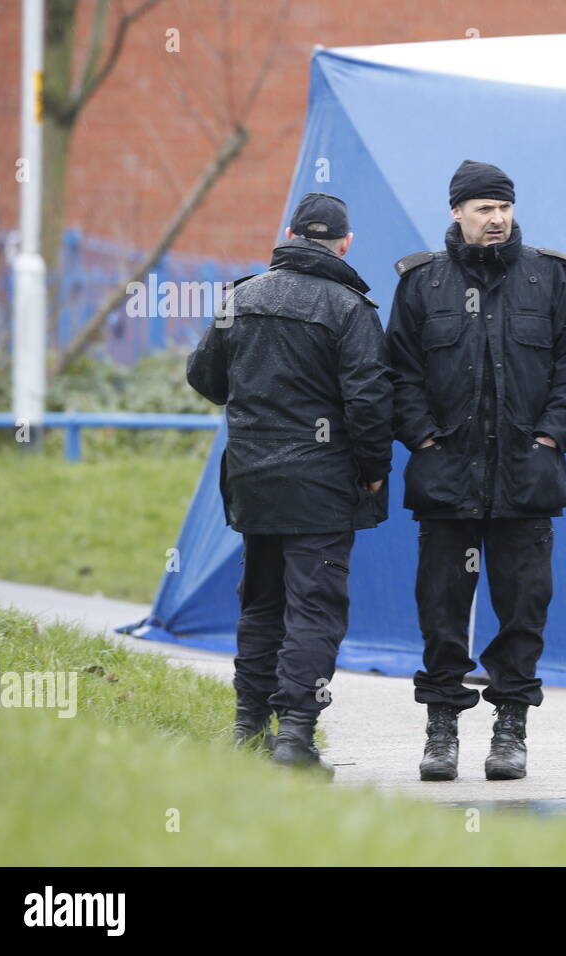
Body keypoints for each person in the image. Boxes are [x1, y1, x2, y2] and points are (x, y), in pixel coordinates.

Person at [386, 160, 566, 782]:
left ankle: (510, 729)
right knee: (441, 609)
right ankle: (442, 729)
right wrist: (422, 437)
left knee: (524, 608)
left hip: (527, 480)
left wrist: (547, 438)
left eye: (502, 207)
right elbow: (397, 374)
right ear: (457, 213)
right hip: (446, 478)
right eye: (482, 209)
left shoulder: (550, 279)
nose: (496, 218)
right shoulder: (421, 282)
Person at [187, 192, 393, 775]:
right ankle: (295, 738)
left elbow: (205, 378)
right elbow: (370, 402)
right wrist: (374, 471)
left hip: (254, 482)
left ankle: (248, 728)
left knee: (261, 604)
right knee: (315, 609)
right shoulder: (352, 309)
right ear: (345, 243)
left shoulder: (240, 297)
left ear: (288, 233)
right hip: (322, 487)